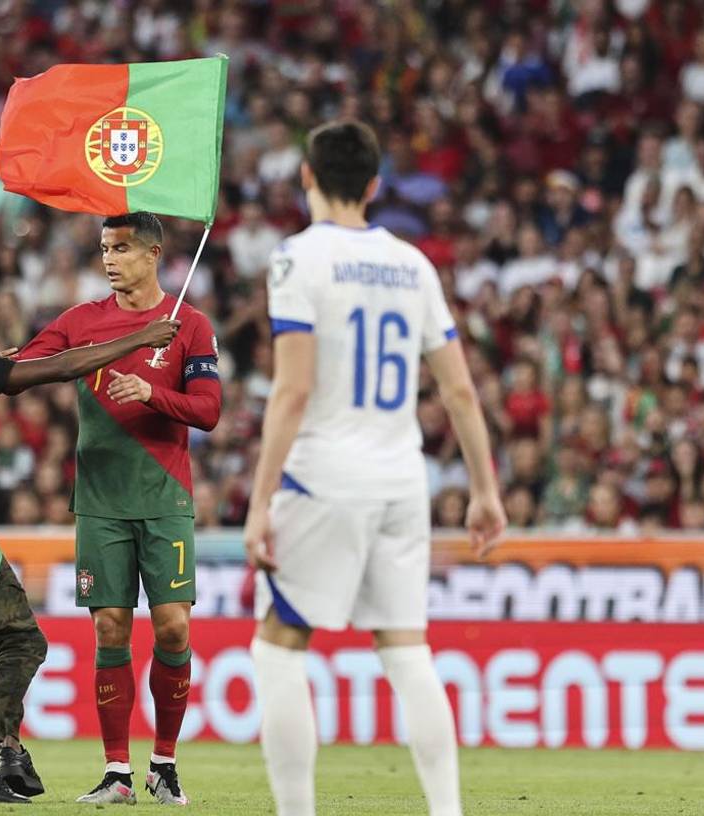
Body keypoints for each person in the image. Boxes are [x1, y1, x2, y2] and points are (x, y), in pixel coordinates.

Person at [243, 120, 507, 816]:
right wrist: (483, 489)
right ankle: (446, 811)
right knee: (406, 649)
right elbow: (458, 389)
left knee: (278, 648)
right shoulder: (412, 263)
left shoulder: (297, 259)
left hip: (325, 477)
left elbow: (293, 390)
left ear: (306, 176)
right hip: (402, 481)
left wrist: (259, 500)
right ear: (375, 186)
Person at [0, 272, 178, 804]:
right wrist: (139, 338)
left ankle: (10, 751)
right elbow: (63, 367)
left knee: (5, 637)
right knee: (24, 640)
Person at [18, 212, 222, 805]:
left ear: (154, 253)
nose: (109, 258)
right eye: (105, 248)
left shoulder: (190, 323)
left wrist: (153, 394)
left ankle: (165, 762)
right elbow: (26, 366)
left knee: (173, 626)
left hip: (165, 500)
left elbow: (208, 410)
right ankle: (116, 773)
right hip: (101, 502)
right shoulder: (82, 322)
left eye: (123, 248)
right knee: (109, 628)